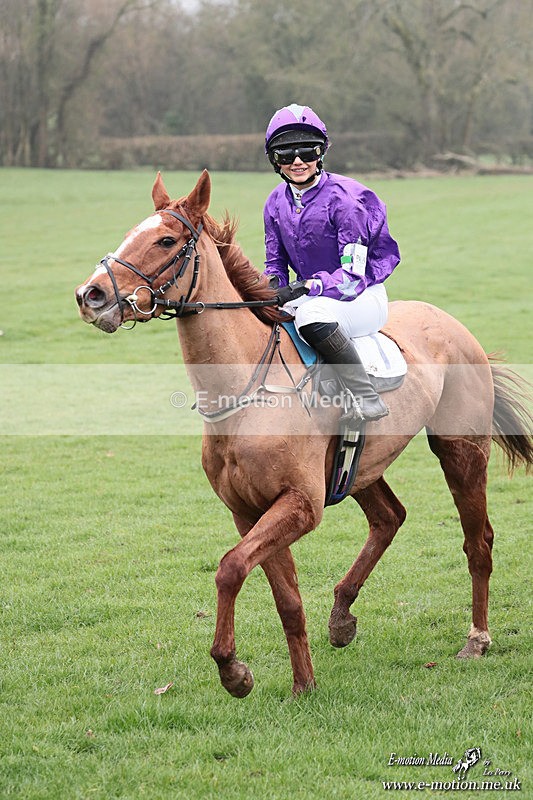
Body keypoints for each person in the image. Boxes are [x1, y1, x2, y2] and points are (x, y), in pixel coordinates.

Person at [263, 103, 401, 427]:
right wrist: (271, 287)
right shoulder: (275, 202)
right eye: (286, 153)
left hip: (361, 297)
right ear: (274, 160)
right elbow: (275, 263)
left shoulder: (346, 201)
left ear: (321, 152)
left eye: (306, 151)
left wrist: (307, 286)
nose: (297, 161)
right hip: (312, 295)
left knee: (310, 315)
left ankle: (366, 396)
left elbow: (352, 277)